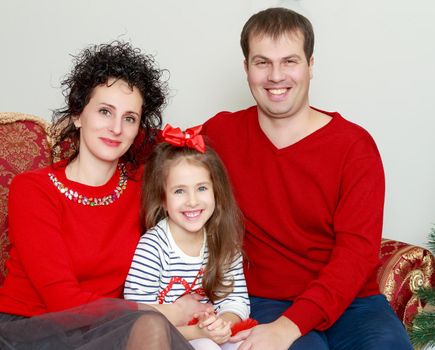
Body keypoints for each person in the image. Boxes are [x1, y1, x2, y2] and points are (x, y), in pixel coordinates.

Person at [202, 7, 413, 350]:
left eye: (289, 61)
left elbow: (356, 253)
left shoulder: (354, 146)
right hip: (265, 298)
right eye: (262, 62)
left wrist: (291, 326)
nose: (275, 75)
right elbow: (159, 164)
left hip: (351, 300)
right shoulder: (220, 133)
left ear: (310, 65)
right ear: (246, 69)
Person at [0, 41, 205, 349]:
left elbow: (187, 151)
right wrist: (170, 311)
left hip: (108, 329)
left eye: (130, 118)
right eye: (105, 111)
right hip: (35, 328)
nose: (116, 128)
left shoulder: (141, 185)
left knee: (150, 330)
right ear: (78, 115)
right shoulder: (33, 189)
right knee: (151, 324)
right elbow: (62, 300)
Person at [124, 124, 251, 350]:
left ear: (216, 191)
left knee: (249, 344)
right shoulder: (153, 247)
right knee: (206, 347)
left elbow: (235, 299)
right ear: (163, 199)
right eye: (179, 191)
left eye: (201, 188)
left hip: (208, 330)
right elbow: (139, 318)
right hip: (165, 338)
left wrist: (223, 324)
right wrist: (196, 332)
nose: (192, 201)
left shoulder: (222, 241)